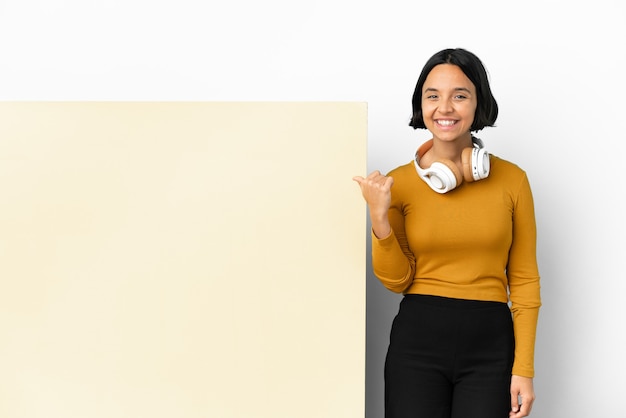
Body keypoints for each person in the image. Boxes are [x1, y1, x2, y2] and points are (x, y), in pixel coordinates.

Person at [353, 48, 541, 418]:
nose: (445, 108)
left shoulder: (513, 181)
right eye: (433, 95)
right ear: (420, 105)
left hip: (490, 345)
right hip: (417, 343)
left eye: (459, 95)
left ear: (478, 102)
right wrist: (379, 218)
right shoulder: (398, 183)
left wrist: (524, 369)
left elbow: (524, 280)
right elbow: (396, 280)